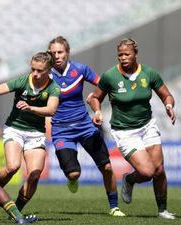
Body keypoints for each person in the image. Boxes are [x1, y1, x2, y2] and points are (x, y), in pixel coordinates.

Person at [88, 38, 176, 219]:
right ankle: (129, 179)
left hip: (147, 125)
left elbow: (166, 95)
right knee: (147, 172)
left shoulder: (149, 74)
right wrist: (97, 111)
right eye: (120, 55)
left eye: (127, 54)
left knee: (159, 169)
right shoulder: (110, 76)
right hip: (124, 131)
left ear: (135, 54)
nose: (123, 58)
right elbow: (95, 97)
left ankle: (162, 211)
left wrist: (168, 106)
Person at [0, 52, 60, 217]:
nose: (35, 74)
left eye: (39, 71)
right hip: (14, 129)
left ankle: (16, 211)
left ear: (49, 70)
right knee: (13, 167)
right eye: (33, 69)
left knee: (34, 174)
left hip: (36, 133)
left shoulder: (53, 88)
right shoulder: (24, 81)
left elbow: (51, 110)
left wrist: (31, 108)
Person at [47, 36, 125, 217]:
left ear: (67, 53)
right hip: (61, 130)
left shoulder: (80, 69)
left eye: (60, 52)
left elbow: (103, 85)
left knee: (106, 167)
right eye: (53, 53)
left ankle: (114, 206)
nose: (57, 56)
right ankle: (72, 179)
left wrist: (98, 108)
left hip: (85, 127)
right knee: (73, 174)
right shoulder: (45, 74)